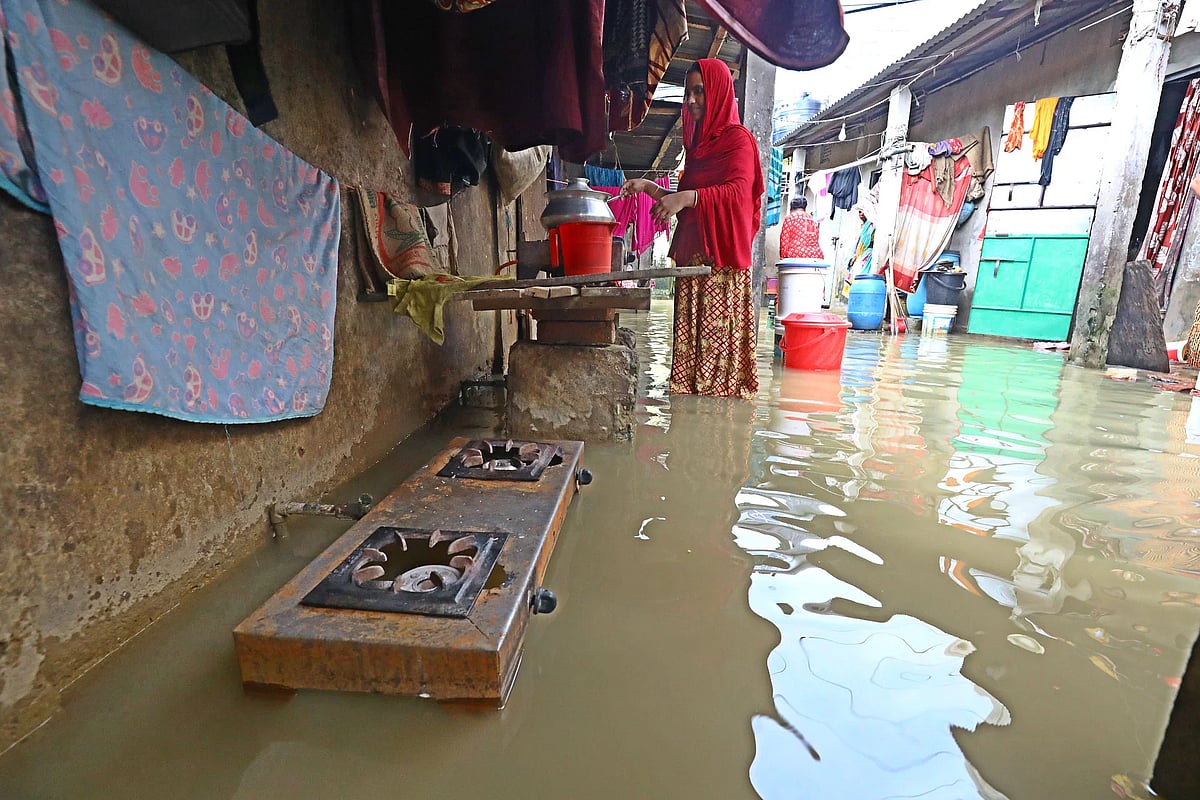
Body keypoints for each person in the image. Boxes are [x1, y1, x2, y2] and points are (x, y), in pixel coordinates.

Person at [620, 58, 765, 400]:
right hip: (692, 264)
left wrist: (686, 197)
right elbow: (682, 202)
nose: (691, 101)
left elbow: (737, 194)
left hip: (720, 268)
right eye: (688, 93)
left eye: (699, 91)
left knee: (718, 376)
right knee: (688, 370)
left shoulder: (739, 141)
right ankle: (688, 430)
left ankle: (717, 435)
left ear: (717, 92)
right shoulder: (698, 149)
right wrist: (645, 187)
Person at [779, 196, 824, 260]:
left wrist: (782, 257)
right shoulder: (811, 220)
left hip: (795, 255)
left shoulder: (790, 218)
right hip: (816, 255)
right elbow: (814, 238)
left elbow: (784, 240)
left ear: (791, 207)